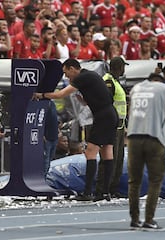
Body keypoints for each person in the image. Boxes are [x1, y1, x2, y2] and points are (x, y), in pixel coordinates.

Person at [33, 58, 118, 201]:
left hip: (103, 117)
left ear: (73, 68)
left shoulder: (82, 77)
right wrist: (84, 100)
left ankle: (88, 192)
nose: (67, 77)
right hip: (111, 114)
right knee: (107, 153)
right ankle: (104, 192)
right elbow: (100, 97)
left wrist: (41, 95)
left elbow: (60, 95)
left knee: (90, 152)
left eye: (67, 73)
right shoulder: (92, 76)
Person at [127, 73, 165, 230]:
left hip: (133, 136)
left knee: (134, 181)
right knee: (155, 180)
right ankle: (149, 219)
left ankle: (134, 218)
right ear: (160, 81)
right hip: (154, 137)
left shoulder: (136, 88)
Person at [95, 56, 127, 201]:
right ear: (119, 67)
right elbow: (106, 102)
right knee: (109, 157)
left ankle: (113, 188)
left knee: (118, 158)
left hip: (120, 125)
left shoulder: (115, 81)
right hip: (111, 124)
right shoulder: (108, 81)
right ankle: (103, 188)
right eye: (123, 66)